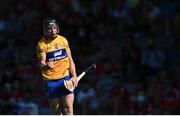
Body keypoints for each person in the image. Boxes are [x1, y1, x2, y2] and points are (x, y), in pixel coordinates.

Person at [36, 18, 78, 115]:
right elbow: (41, 64)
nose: (53, 31)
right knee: (57, 112)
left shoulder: (63, 40)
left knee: (69, 109)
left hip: (65, 79)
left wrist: (74, 75)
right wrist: (46, 66)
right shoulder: (41, 44)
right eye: (50, 29)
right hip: (50, 81)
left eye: (55, 28)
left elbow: (70, 59)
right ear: (45, 30)